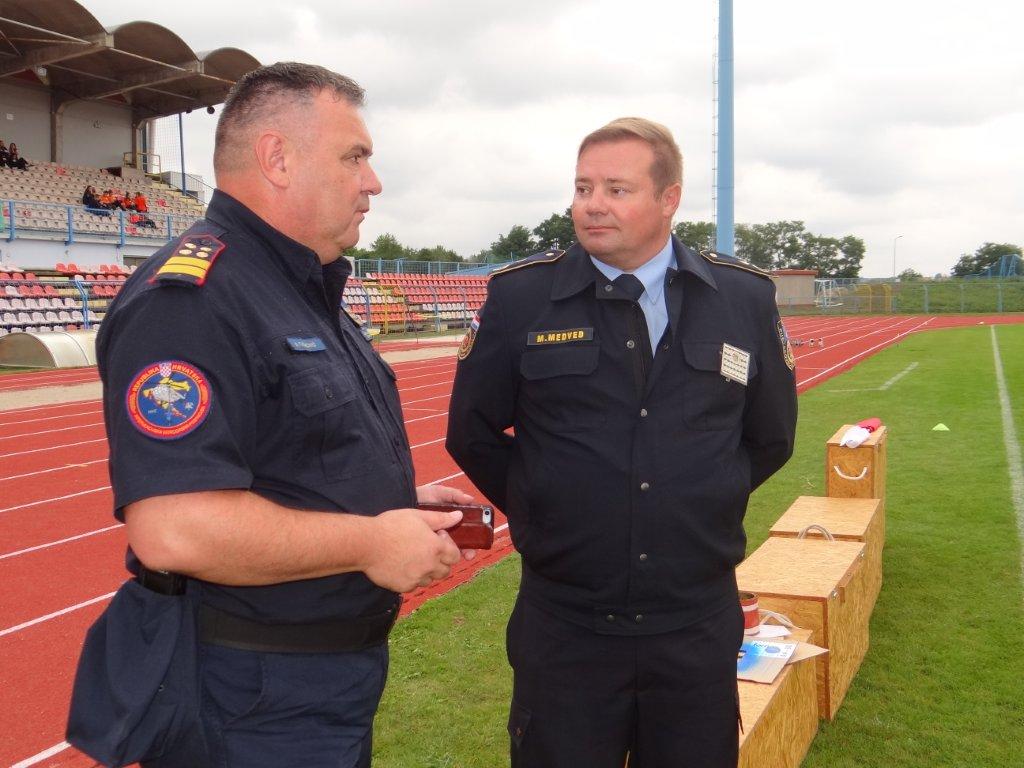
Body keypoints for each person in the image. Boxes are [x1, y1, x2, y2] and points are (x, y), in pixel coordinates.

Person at [76, 62, 476, 768]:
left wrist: (388, 506)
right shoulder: (197, 299)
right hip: (249, 697)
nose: (373, 182)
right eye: (355, 156)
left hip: (305, 688)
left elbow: (289, 457)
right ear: (277, 158)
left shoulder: (297, 287)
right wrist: (369, 542)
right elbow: (175, 527)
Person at [446, 117, 798, 767]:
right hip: (567, 629)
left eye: (616, 188)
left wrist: (696, 495)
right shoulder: (523, 298)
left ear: (669, 199)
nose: (592, 205)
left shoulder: (742, 299)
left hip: (694, 625)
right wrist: (547, 501)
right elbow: (470, 430)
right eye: (583, 188)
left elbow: (771, 436)